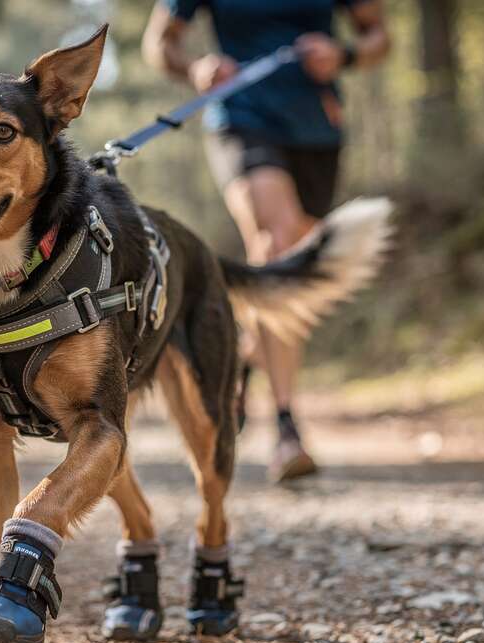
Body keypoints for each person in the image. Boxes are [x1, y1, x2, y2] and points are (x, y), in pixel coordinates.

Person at [143, 0, 390, 483]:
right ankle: (286, 427)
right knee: (278, 247)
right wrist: (196, 67)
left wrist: (344, 54)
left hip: (318, 127)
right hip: (242, 116)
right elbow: (160, 42)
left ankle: (240, 358)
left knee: (297, 270)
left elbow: (378, 35)